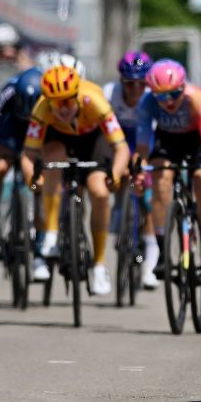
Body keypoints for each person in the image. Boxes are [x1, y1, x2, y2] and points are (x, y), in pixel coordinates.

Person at [21, 66, 131, 294]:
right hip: (60, 140)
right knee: (51, 160)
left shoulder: (95, 101)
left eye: (67, 103)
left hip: (93, 141)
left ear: (76, 96)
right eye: (55, 103)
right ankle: (50, 235)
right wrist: (33, 181)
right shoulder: (42, 108)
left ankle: (99, 265)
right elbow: (29, 155)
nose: (61, 109)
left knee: (99, 192)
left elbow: (121, 149)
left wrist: (116, 174)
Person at [135, 60, 201, 292]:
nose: (168, 102)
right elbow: (143, 145)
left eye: (173, 94)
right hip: (168, 141)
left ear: (182, 88)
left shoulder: (195, 99)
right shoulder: (147, 103)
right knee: (160, 180)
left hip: (197, 141)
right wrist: (139, 168)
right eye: (161, 96)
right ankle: (163, 252)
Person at [103, 51, 160, 289]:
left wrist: (140, 162)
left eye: (140, 83)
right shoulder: (110, 94)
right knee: (117, 175)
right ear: (121, 81)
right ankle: (119, 205)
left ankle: (150, 256)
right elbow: (101, 131)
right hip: (117, 139)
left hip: (146, 139)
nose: (135, 88)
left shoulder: (153, 96)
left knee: (146, 193)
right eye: (129, 83)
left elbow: (151, 139)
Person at [0, 66, 43, 249]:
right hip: (11, 130)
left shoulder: (47, 95)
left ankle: (40, 225)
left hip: (38, 129)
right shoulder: (8, 91)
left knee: (41, 176)